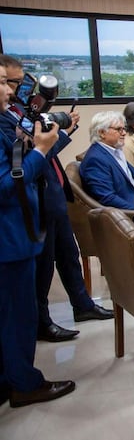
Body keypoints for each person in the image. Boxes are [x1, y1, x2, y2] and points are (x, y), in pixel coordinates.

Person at [0, 56, 112, 343]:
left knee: (68, 255)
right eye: (10, 82)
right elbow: (31, 157)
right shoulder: (5, 118)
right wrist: (55, 138)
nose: (16, 90)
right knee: (43, 268)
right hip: (36, 201)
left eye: (20, 83)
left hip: (54, 195)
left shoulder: (18, 112)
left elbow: (39, 148)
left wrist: (61, 131)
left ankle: (83, 305)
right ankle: (43, 322)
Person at [0, 60, 76, 408]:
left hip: (21, 231)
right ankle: (24, 383)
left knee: (17, 312)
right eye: (4, 84)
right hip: (10, 236)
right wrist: (42, 148)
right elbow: (7, 184)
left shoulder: (8, 119)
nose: (11, 92)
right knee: (17, 314)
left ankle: (11, 376)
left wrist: (40, 143)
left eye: (11, 84)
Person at [80, 111, 134, 210]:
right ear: (102, 133)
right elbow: (107, 198)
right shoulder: (95, 159)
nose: (124, 133)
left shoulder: (114, 151)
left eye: (124, 129)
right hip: (129, 213)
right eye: (119, 129)